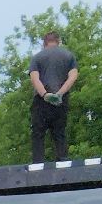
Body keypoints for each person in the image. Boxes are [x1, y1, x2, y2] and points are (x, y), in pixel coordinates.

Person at [28, 30, 78, 162]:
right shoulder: (69, 56)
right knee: (59, 132)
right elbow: (73, 77)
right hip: (61, 101)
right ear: (59, 41)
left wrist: (45, 95)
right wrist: (59, 93)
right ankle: (62, 159)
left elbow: (34, 79)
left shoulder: (37, 58)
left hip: (41, 102)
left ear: (44, 43)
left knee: (38, 133)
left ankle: (38, 162)